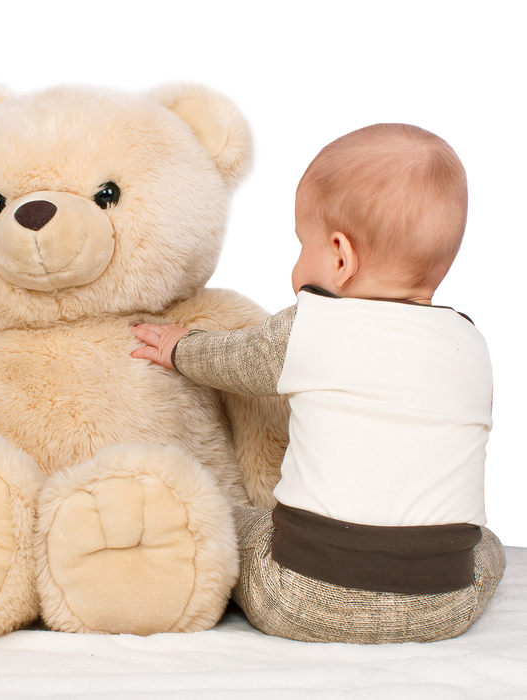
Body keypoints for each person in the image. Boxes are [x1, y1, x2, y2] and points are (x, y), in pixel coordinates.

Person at [130, 123, 505, 644]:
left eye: (301, 244)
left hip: (299, 595)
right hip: (442, 605)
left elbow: (235, 361)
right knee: (486, 544)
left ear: (340, 257)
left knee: (236, 521)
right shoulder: (472, 345)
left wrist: (178, 347)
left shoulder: (310, 325)